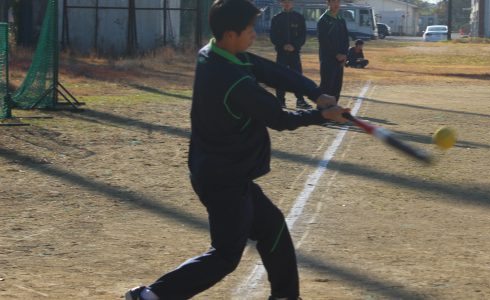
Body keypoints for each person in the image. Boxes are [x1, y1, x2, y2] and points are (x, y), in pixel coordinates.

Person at [124, 0, 349, 299]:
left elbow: (271, 70)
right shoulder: (231, 78)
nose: (254, 34)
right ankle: (150, 296)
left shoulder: (216, 53)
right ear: (231, 34)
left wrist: (315, 93)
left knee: (273, 230)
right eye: (249, 29)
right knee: (226, 255)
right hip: (222, 179)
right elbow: (279, 118)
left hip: (224, 172)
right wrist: (321, 115)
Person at [270, 0, 311, 109]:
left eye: (288, 1)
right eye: (284, 2)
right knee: (280, 76)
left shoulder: (299, 17)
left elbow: (303, 35)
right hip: (281, 53)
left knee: (297, 76)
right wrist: (283, 45)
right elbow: (273, 36)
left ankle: (300, 100)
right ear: (281, 3)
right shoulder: (276, 18)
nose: (286, 3)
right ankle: (280, 100)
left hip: (295, 53)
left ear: (292, 3)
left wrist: (294, 46)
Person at [317, 0, 349, 102]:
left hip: (340, 60)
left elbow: (345, 39)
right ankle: (322, 112)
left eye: (338, 2)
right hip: (328, 59)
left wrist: (344, 54)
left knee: (337, 86)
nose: (336, 4)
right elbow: (324, 42)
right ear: (328, 3)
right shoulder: (323, 20)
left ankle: (333, 109)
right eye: (333, 2)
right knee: (326, 86)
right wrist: (336, 54)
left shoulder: (341, 20)